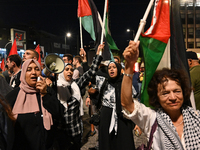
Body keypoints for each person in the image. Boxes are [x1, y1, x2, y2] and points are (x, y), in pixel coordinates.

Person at [121, 41, 200, 149]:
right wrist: (129, 66)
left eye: (177, 91)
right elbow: (127, 103)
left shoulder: (196, 117)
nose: (172, 97)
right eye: (165, 93)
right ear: (156, 96)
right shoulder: (151, 118)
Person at [5, 59, 65, 150]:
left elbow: (59, 113)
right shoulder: (12, 96)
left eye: (37, 69)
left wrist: (45, 95)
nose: (33, 73)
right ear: (23, 73)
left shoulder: (47, 92)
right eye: (29, 70)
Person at [55, 44, 104, 150]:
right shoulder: (55, 87)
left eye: (71, 70)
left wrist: (98, 54)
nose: (69, 72)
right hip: (61, 133)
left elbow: (91, 72)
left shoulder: (75, 84)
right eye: (66, 69)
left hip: (76, 131)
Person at [95, 61, 137, 150]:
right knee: (107, 141)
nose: (111, 69)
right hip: (106, 115)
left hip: (122, 116)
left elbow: (133, 99)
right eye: (109, 68)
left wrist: (136, 120)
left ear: (118, 69)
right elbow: (93, 72)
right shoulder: (104, 83)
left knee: (123, 141)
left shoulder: (125, 83)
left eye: (114, 67)